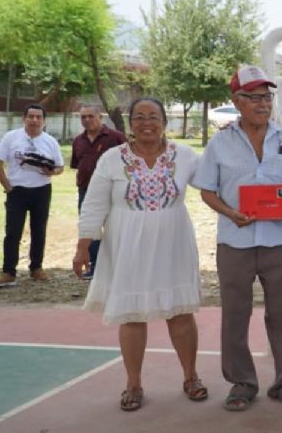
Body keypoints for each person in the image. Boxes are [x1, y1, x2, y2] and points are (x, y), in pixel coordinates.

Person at [73, 98, 206, 412]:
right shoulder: (112, 159)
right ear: (129, 123)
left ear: (165, 122)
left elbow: (214, 185)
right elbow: (94, 204)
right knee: (131, 313)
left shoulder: (185, 156)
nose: (147, 123)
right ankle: (133, 384)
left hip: (173, 240)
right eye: (140, 117)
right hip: (127, 243)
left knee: (180, 312)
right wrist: (82, 247)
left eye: (154, 117)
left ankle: (191, 377)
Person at [193, 65, 282, 411]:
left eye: (267, 97)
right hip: (235, 242)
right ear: (237, 101)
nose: (263, 104)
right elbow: (207, 191)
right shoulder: (220, 142)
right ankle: (242, 383)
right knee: (235, 314)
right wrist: (230, 213)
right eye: (254, 97)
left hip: (277, 242)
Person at [0, 104, 65, 287]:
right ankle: (9, 271)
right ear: (23, 119)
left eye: (38, 117)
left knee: (39, 230)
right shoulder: (11, 138)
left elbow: (60, 167)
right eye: (31, 116)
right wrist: (8, 186)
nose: (34, 120)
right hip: (17, 191)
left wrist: (52, 172)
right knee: (13, 232)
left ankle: (36, 268)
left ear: (44, 121)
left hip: (41, 190)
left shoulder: (50, 141)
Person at [70, 104, 127, 280]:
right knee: (91, 230)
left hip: (113, 191)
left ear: (100, 117)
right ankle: (95, 267)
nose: (87, 120)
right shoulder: (78, 140)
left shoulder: (116, 137)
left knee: (115, 228)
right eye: (83, 117)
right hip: (86, 191)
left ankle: (118, 265)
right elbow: (76, 164)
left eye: (90, 116)